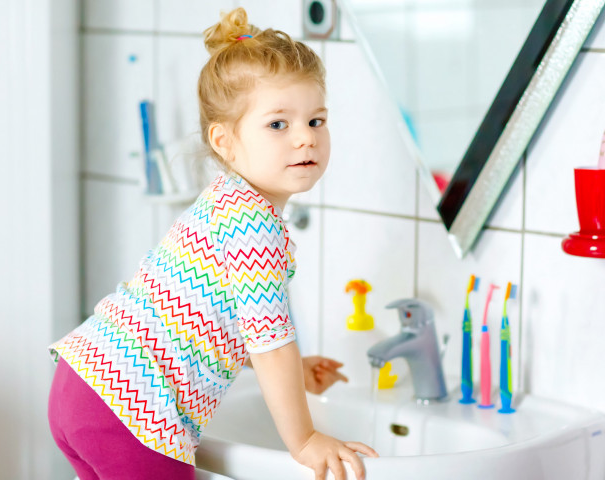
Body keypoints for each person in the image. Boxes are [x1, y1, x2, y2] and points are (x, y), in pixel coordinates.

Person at [47, 7, 379, 480]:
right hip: (133, 408)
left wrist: (294, 371)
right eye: (278, 124)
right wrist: (304, 440)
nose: (305, 139)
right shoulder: (254, 224)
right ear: (224, 141)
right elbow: (271, 342)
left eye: (317, 121)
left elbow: (209, 320)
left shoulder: (225, 202)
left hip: (87, 384)